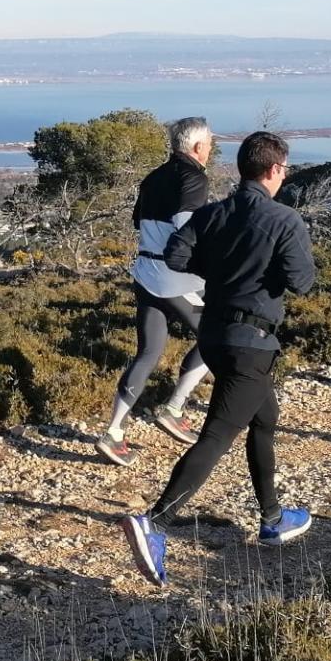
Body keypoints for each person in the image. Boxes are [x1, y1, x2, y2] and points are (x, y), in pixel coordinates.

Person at [120, 132, 316, 587]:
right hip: (252, 343)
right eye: (284, 170)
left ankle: (272, 518)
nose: (284, 176)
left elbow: (176, 254)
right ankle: (156, 522)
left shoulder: (212, 213)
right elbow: (302, 282)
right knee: (217, 435)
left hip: (213, 334)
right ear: (274, 170)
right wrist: (259, 272)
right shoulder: (283, 219)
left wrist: (219, 269)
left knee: (264, 419)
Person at [97, 117, 215, 466]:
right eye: (209, 143)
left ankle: (113, 433)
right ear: (197, 147)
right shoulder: (195, 178)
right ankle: (174, 408)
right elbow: (187, 229)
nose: (211, 148)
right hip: (175, 277)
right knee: (216, 335)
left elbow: (139, 222)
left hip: (145, 273)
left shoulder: (153, 177)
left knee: (148, 352)